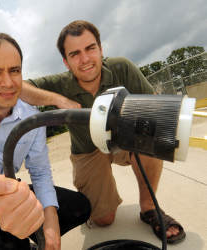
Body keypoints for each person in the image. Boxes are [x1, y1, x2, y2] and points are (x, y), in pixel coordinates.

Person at [20, 20, 186, 244]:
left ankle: (149, 208)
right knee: (104, 220)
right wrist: (58, 99)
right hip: (88, 151)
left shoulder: (122, 68)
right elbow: (19, 87)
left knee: (151, 140)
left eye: (90, 48)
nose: (85, 59)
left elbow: (155, 108)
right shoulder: (59, 83)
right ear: (66, 62)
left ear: (101, 49)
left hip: (125, 141)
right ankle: (99, 201)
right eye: (75, 53)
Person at [0, 32, 91, 250]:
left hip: (10, 190)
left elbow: (39, 172)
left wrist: (51, 221)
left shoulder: (32, 116)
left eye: (15, 70)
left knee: (80, 207)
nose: (8, 83)